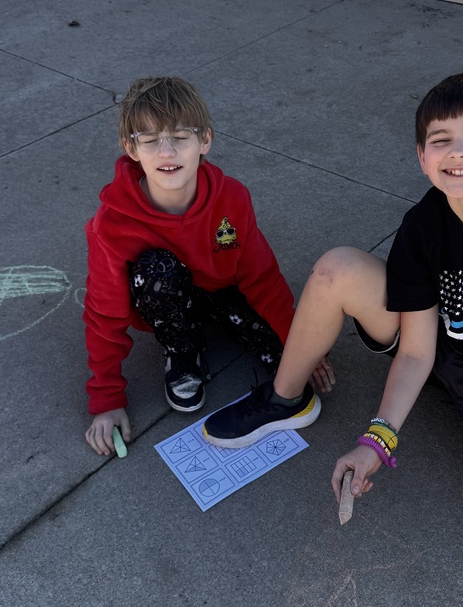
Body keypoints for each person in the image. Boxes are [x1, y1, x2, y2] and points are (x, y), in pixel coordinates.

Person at [203, 72, 463, 539]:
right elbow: (416, 350)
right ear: (422, 157)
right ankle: (285, 396)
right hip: (430, 338)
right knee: (339, 268)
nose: (459, 151)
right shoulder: (425, 222)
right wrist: (377, 440)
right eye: (441, 140)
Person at [83, 76, 330, 456]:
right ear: (130, 148)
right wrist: (106, 399)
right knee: (157, 269)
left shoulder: (232, 198)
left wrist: (301, 344)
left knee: (290, 366)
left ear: (205, 141)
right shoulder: (111, 225)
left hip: (224, 294)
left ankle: (264, 342)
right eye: (150, 140)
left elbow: (261, 277)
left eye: (180, 136)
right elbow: (104, 313)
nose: (166, 152)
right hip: (167, 300)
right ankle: (183, 350)